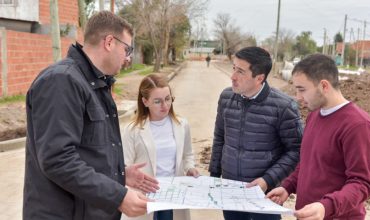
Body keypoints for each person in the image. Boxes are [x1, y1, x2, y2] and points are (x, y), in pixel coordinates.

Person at [23, 11, 159, 220]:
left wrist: (119, 175)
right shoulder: (61, 81)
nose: (128, 57)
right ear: (109, 42)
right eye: (127, 49)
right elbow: (58, 159)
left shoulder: (96, 84)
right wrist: (118, 196)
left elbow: (88, 152)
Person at [267, 54, 370, 220]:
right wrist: (287, 187)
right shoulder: (315, 115)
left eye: (302, 89)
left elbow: (361, 184)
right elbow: (308, 163)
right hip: (309, 214)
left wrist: (326, 207)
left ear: (324, 86)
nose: (297, 96)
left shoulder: (358, 125)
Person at [208, 46, 303, 220]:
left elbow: (296, 150)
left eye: (241, 71)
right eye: (234, 68)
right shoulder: (226, 97)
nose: (233, 76)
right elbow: (220, 137)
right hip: (230, 191)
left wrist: (267, 180)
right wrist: (214, 176)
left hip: (264, 195)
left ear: (259, 78)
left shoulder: (284, 107)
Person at [121, 74, 199, 220]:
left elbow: (187, 154)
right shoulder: (132, 130)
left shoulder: (182, 124)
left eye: (168, 99)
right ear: (145, 101)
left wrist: (190, 168)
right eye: (157, 101)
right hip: (144, 196)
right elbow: (124, 165)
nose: (165, 106)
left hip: (173, 195)